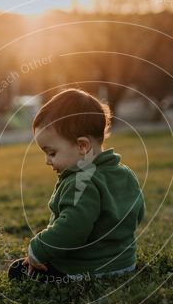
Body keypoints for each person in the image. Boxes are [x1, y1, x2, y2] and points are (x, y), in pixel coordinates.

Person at [8, 88, 145, 284]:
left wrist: (38, 249)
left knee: (18, 271)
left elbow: (73, 229)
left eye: (52, 153)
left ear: (82, 146)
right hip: (125, 263)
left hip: (85, 268)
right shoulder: (124, 173)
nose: (47, 161)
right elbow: (137, 214)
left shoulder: (80, 182)